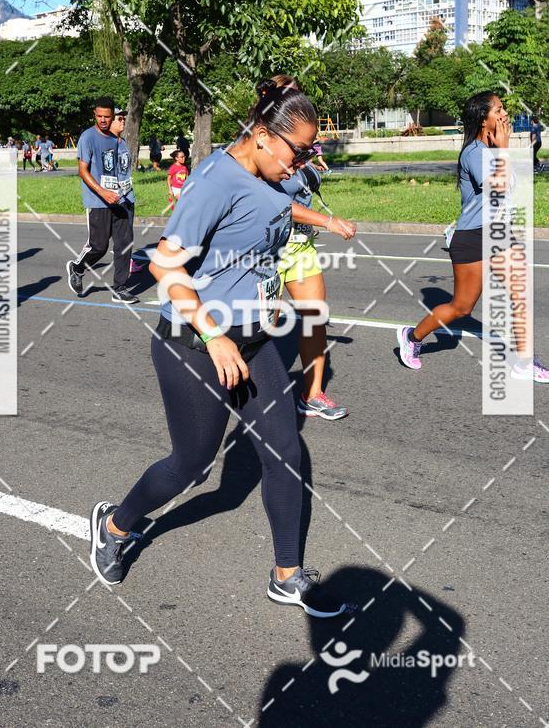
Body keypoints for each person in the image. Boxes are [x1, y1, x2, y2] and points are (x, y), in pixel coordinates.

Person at [89, 82, 355, 619]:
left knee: (285, 452)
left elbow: (274, 213)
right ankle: (115, 525)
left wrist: (322, 221)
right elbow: (165, 266)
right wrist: (214, 335)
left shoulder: (273, 176)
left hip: (254, 341)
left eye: (310, 151)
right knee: (192, 465)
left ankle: (286, 574)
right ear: (261, 136)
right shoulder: (214, 181)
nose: (304, 162)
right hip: (194, 343)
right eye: (298, 151)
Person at [397, 91, 549, 382]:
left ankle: (525, 362)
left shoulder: (491, 148)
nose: (505, 114)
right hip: (472, 236)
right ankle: (411, 336)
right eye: (500, 110)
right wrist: (503, 150)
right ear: (484, 118)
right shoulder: (473, 153)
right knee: (462, 307)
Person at [262, 76, 356, 420]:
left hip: (299, 246)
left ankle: (312, 394)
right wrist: (328, 221)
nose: (297, 100)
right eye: (291, 94)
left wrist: (309, 167)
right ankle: (249, 394)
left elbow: (297, 187)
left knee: (315, 316)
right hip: (266, 247)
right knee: (263, 327)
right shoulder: (261, 142)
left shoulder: (297, 141)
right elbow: (271, 202)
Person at [66, 97, 140, 304]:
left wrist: (127, 196)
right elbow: (83, 170)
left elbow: (121, 172)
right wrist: (103, 192)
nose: (103, 120)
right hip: (98, 201)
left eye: (108, 117)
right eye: (99, 116)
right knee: (99, 246)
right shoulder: (88, 137)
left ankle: (120, 288)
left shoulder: (120, 142)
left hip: (123, 200)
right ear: (94, 115)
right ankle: (77, 267)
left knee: (124, 245)